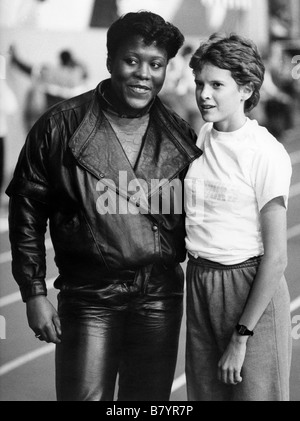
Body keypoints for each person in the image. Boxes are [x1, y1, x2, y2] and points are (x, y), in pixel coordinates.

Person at [6, 11, 201, 401]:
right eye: (132, 61)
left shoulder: (180, 132)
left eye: (156, 64)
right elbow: (27, 211)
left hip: (160, 296)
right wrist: (33, 292)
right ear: (110, 60)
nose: (143, 74)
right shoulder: (59, 125)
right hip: (89, 295)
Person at [184, 33, 292, 401]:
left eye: (217, 84)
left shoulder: (265, 153)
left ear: (245, 89)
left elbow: (277, 256)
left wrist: (241, 336)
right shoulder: (202, 136)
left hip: (248, 288)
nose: (204, 94)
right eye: (200, 83)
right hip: (200, 281)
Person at [10, 45, 88, 131]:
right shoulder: (78, 74)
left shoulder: (52, 72)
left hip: (49, 114)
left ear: (61, 60)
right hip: (71, 117)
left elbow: (30, 70)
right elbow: (86, 74)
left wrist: (15, 59)